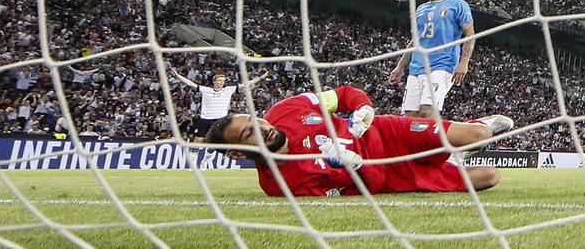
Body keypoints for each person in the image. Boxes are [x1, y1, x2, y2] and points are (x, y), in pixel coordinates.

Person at [205, 85, 513, 197]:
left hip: (386, 132)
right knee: (490, 177)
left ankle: (469, 133)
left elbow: (341, 96)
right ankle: (449, 157)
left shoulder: (286, 109)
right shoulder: (279, 185)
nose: (263, 127)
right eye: (250, 133)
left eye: (255, 119)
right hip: (393, 175)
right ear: (237, 153)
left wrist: (362, 107)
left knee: (480, 135)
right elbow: (374, 185)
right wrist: (355, 165)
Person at [386, 0, 475, 118]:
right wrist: (400, 67)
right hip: (416, 68)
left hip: (441, 65)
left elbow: (470, 34)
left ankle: (436, 141)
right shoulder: (421, 9)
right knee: (409, 117)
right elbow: (416, 41)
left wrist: (464, 62)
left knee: (428, 111)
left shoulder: (458, 4)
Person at [171, 69, 269, 142]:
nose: (222, 82)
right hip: (205, 119)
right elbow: (190, 83)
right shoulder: (206, 90)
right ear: (214, 82)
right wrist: (177, 75)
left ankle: (207, 158)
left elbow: (245, 84)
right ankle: (194, 163)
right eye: (219, 80)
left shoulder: (228, 90)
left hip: (220, 119)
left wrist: (260, 78)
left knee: (218, 141)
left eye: (223, 81)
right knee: (198, 141)